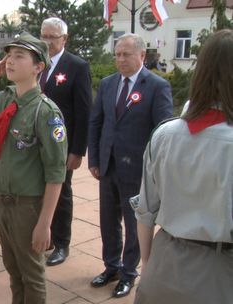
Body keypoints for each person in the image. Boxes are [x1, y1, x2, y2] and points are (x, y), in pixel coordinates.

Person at [133, 29, 233, 304]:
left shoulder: (164, 134)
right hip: (219, 272)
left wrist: (149, 266)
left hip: (164, 263)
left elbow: (145, 211)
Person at [0, 32, 67, 304]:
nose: (10, 61)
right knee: (14, 271)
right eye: (9, 55)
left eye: (19, 56)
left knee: (32, 276)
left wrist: (45, 224)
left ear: (38, 67)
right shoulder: (7, 98)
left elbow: (55, 174)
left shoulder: (45, 112)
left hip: (27, 208)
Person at [87, 33, 173, 298]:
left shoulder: (156, 86)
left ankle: (128, 273)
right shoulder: (108, 84)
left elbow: (163, 131)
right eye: (117, 54)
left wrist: (154, 171)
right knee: (108, 220)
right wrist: (94, 160)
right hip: (108, 164)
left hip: (137, 170)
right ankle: (111, 266)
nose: (120, 59)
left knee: (135, 224)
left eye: (126, 54)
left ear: (142, 56)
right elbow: (96, 122)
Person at [39, 17, 92, 267]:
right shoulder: (36, 63)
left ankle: (61, 243)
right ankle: (44, 237)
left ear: (64, 39)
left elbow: (83, 111)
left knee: (61, 193)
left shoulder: (77, 66)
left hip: (62, 145)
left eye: (53, 37)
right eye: (44, 36)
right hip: (34, 144)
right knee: (37, 191)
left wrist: (78, 150)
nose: (47, 42)